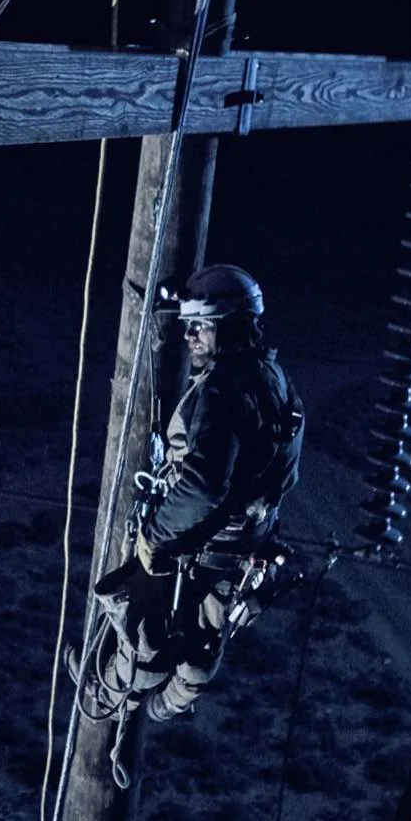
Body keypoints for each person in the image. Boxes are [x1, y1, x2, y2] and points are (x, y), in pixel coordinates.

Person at [74, 263, 305, 723]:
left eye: (200, 326)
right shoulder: (275, 381)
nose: (191, 338)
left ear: (232, 327)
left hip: (197, 549)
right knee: (201, 648)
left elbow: (203, 485)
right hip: (241, 552)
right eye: (189, 327)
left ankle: (102, 702)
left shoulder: (222, 392)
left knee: (143, 637)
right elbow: (284, 471)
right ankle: (159, 708)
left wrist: (154, 538)